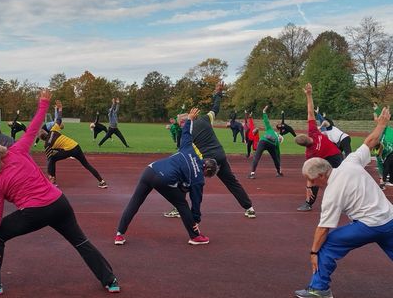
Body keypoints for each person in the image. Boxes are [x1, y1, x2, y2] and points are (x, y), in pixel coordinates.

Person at [0, 89, 120, 297]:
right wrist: (43, 104)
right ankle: (110, 280)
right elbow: (32, 130)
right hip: (59, 202)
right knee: (80, 242)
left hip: (35, 211)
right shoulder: (17, 150)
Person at [294, 107, 393, 298]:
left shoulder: (332, 193)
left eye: (312, 180)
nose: (311, 184)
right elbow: (369, 142)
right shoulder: (350, 162)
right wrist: (381, 124)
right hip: (389, 219)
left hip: (368, 225)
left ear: (322, 175)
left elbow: (323, 229)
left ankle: (319, 288)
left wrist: (313, 252)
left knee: (327, 244)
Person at [115, 108, 219, 246]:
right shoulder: (199, 178)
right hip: (163, 179)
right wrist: (195, 220)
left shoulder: (188, 149)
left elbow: (186, 134)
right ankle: (194, 237)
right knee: (182, 204)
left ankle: (119, 235)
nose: (205, 177)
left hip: (150, 170)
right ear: (207, 170)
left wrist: (189, 119)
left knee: (135, 202)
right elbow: (196, 202)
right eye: (208, 175)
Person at [165, 82, 256, 219]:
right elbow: (215, 107)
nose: (178, 124)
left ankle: (179, 209)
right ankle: (249, 208)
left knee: (186, 180)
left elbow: (183, 151)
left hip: (206, 160)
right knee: (231, 182)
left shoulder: (186, 131)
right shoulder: (205, 119)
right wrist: (218, 93)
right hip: (220, 156)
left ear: (184, 122)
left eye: (179, 122)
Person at [294, 83, 343, 212]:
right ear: (305, 135)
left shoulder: (310, 154)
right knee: (342, 177)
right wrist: (309, 95)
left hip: (327, 158)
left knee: (315, 178)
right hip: (336, 155)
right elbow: (310, 112)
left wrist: (308, 188)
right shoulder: (313, 131)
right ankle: (346, 200)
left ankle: (308, 203)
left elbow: (310, 174)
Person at [39, 115, 108, 189]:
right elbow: (59, 120)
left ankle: (53, 181)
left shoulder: (47, 145)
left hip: (69, 150)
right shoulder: (53, 130)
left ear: (42, 139)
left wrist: (49, 173)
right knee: (86, 164)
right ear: (46, 132)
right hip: (75, 146)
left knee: (52, 159)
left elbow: (49, 159)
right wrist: (60, 109)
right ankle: (102, 181)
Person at [247, 106, 283, 179]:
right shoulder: (277, 142)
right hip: (272, 145)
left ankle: (252, 173)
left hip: (263, 141)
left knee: (257, 157)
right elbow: (278, 156)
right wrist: (279, 167)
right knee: (275, 159)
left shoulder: (270, 130)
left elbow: (266, 121)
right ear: (279, 139)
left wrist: (264, 112)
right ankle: (278, 172)